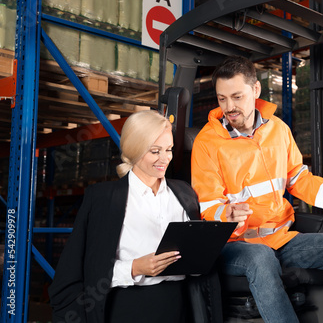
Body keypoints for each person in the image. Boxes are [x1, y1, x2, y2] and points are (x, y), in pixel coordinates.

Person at [191, 56, 323, 323]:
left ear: (255, 91)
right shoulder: (207, 143)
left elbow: (297, 178)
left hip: (279, 238)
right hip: (235, 245)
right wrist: (226, 214)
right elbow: (207, 205)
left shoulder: (278, 130)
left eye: (237, 97)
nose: (229, 107)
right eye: (222, 99)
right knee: (261, 258)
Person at [49, 110, 222, 323]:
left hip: (180, 305)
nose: (165, 159)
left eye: (169, 150)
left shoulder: (184, 193)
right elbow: (85, 269)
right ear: (135, 149)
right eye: (155, 151)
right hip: (128, 307)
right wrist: (134, 268)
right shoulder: (103, 198)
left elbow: (198, 259)